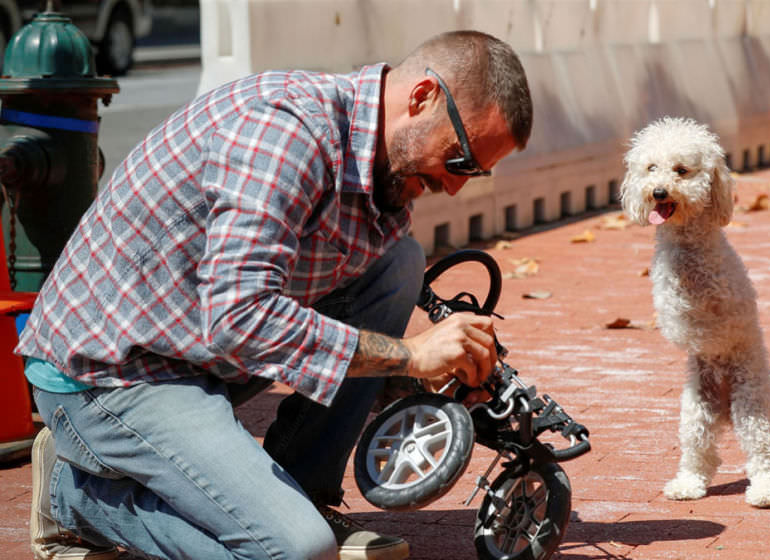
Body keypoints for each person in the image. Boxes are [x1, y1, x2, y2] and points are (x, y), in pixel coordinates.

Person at [17, 29, 533, 560]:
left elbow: (287, 322)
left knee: (399, 264)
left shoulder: (386, 168)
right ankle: (76, 499)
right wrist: (410, 353)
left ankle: (300, 490)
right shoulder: (285, 132)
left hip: (197, 350)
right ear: (422, 98)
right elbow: (240, 317)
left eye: (477, 174)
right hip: (112, 375)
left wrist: (413, 376)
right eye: (460, 160)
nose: (455, 187)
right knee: (297, 551)